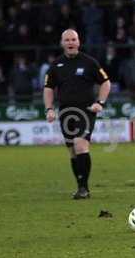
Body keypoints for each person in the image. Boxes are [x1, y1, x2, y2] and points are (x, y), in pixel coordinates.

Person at [43, 29, 111, 199]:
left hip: (85, 111)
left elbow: (105, 82)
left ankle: (84, 188)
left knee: (81, 145)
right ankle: (81, 187)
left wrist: (100, 103)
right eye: (67, 40)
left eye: (73, 39)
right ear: (62, 43)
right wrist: (49, 108)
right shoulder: (56, 65)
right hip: (66, 112)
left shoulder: (89, 62)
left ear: (79, 42)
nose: (71, 42)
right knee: (72, 150)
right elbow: (48, 88)